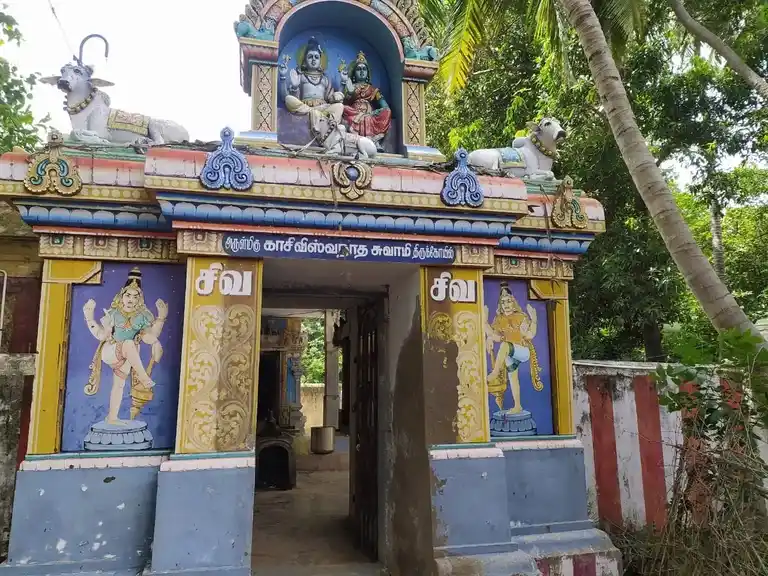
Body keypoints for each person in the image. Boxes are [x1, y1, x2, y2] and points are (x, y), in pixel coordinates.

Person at [83, 267, 167, 424]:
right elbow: (101, 335)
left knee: (119, 385)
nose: (131, 299)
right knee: (128, 343)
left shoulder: (142, 316)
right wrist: (89, 317)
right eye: (128, 295)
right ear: (121, 296)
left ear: (139, 299)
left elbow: (150, 337)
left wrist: (161, 318)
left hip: (128, 357)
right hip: (110, 350)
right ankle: (143, 377)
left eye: (135, 297)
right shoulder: (114, 313)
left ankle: (112, 418)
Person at [484, 282, 543, 414]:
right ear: (500, 304)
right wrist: (485, 324)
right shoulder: (499, 319)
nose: (506, 304)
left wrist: (534, 320)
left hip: (522, 350)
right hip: (509, 353)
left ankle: (495, 372)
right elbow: (494, 335)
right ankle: (517, 406)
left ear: (513, 302)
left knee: (505, 345)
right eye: (503, 302)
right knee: (513, 378)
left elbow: (530, 335)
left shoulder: (520, 317)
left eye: (508, 301)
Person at [279, 36, 344, 120]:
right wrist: (284, 78)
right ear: (305, 60)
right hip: (305, 107)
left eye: (316, 57)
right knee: (289, 99)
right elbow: (285, 97)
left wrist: (342, 85)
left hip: (323, 108)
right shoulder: (301, 76)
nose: (313, 59)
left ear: (320, 61)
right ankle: (314, 112)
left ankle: (316, 113)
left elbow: (331, 99)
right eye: (310, 57)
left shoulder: (325, 79)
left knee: (339, 106)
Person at [339, 51, 392, 149]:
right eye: (359, 69)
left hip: (370, 114)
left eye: (364, 69)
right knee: (342, 108)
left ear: (367, 73)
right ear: (354, 73)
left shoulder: (373, 89)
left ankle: (374, 140)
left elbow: (385, 106)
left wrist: (376, 112)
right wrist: (344, 83)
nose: (362, 71)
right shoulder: (350, 86)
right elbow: (342, 101)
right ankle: (354, 141)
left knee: (387, 112)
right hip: (353, 113)